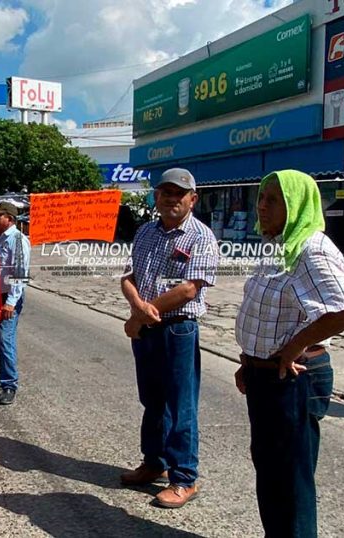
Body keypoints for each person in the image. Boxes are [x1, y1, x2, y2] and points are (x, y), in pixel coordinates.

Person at [234, 170, 344, 537]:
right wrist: (250, 361)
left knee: (290, 481)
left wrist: (293, 348)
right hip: (266, 373)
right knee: (271, 471)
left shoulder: (312, 249)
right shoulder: (281, 245)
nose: (261, 206)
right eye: (261, 198)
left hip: (294, 377)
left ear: (297, 205)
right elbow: (268, 313)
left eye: (273, 200)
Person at [119, 168, 218, 509]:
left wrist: (141, 314)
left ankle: (184, 478)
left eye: (179, 193)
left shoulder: (201, 237)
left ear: (193, 199)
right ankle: (154, 463)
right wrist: (138, 308)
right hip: (145, 329)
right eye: (166, 192)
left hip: (178, 329)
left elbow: (189, 289)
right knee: (152, 400)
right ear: (156, 196)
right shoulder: (146, 231)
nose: (171, 199)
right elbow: (129, 276)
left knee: (180, 405)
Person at [0, 201, 31, 406]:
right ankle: (4, 376)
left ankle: (10, 384)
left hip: (8, 298)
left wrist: (10, 302)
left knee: (5, 339)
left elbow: (20, 274)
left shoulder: (18, 240)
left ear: (9, 219)